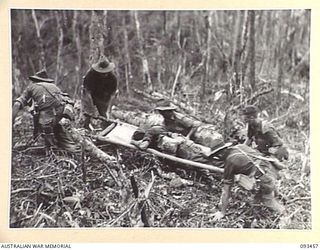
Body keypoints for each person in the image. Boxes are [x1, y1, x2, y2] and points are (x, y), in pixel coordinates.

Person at [211, 143, 285, 221]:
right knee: (260, 196)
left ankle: (285, 215)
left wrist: (222, 212)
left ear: (219, 154)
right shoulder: (240, 146)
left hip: (265, 178)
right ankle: (279, 198)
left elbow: (226, 191)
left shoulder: (230, 162)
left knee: (268, 201)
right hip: (270, 169)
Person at [12, 70, 79, 152]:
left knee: (46, 129)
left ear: (35, 80)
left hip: (48, 113)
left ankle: (51, 150)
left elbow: (17, 104)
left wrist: (10, 123)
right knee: (56, 127)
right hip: (63, 109)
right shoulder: (53, 86)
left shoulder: (32, 86)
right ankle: (71, 148)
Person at [130, 124, 231, 166]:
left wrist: (133, 142)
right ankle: (228, 160)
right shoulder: (157, 128)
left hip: (183, 149)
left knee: (206, 161)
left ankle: (228, 166)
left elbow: (143, 146)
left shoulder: (149, 133)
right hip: (185, 143)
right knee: (206, 155)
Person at [155, 100, 224, 149]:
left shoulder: (180, 118)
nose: (162, 113)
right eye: (161, 112)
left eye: (163, 112)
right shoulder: (166, 120)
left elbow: (195, 125)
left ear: (169, 111)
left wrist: (188, 136)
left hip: (198, 134)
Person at [81, 56, 118, 129]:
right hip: (90, 94)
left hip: (103, 96)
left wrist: (108, 110)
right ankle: (85, 128)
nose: (104, 75)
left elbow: (112, 95)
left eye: (106, 73)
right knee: (87, 114)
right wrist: (92, 110)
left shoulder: (113, 78)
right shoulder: (90, 75)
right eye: (102, 73)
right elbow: (87, 93)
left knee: (104, 116)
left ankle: (105, 129)